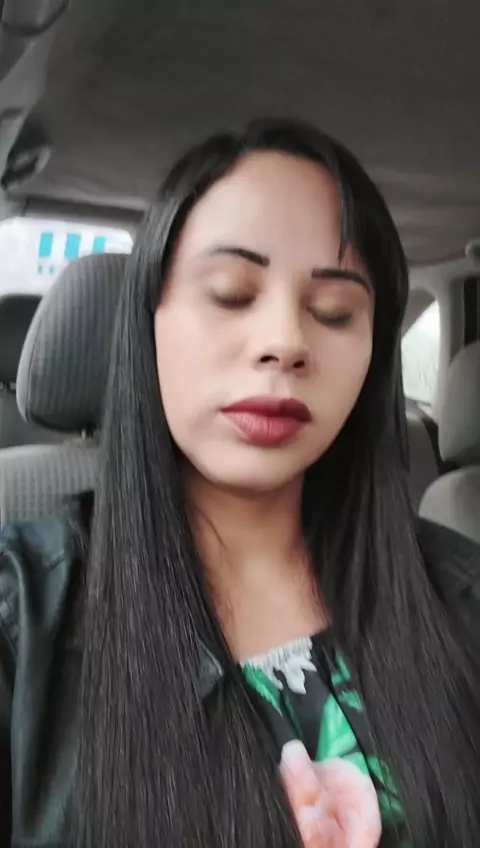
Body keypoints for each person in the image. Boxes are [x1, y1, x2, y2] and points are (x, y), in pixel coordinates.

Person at [1, 119, 479, 848]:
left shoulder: (460, 595)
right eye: (229, 294)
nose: (285, 342)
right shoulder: (21, 615)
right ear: (148, 321)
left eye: (335, 312)